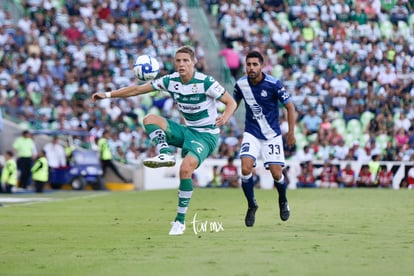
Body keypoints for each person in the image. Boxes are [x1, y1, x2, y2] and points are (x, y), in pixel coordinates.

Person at [91, 46, 237, 235]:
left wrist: (224, 118)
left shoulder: (206, 82)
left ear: (193, 63)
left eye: (185, 60)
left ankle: (180, 221)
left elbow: (231, 102)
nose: (181, 64)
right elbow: (136, 90)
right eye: (178, 61)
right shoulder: (170, 80)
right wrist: (108, 95)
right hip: (187, 130)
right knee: (149, 119)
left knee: (185, 169)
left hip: (206, 135)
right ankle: (165, 153)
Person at [233, 51, 296, 227]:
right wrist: (223, 117)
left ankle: (283, 200)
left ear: (262, 66)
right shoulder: (241, 84)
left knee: (277, 173)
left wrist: (291, 133)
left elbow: (290, 108)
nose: (251, 68)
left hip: (272, 136)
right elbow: (233, 104)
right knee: (245, 169)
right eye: (248, 64)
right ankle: (251, 204)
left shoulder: (273, 84)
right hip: (251, 133)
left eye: (255, 64)